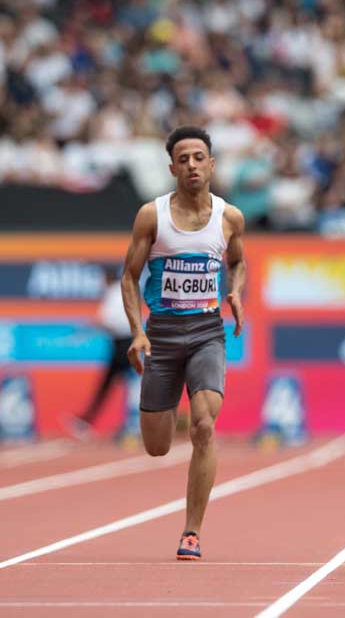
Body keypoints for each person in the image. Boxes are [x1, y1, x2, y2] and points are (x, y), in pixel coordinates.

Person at [121, 125, 245, 560]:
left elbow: (239, 260)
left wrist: (235, 291)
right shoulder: (151, 216)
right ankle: (170, 408)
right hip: (163, 336)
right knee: (157, 446)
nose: (191, 165)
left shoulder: (229, 217)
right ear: (172, 167)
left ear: (211, 164)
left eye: (199, 157)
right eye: (183, 159)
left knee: (205, 426)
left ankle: (191, 532)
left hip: (207, 332)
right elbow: (129, 277)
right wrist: (137, 330)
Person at [66, 266, 134, 438]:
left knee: (122, 385)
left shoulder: (113, 294)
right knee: (123, 385)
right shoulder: (120, 292)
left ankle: (133, 424)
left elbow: (108, 321)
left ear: (106, 279)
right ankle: (89, 421)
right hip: (123, 343)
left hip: (123, 345)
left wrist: (86, 329)